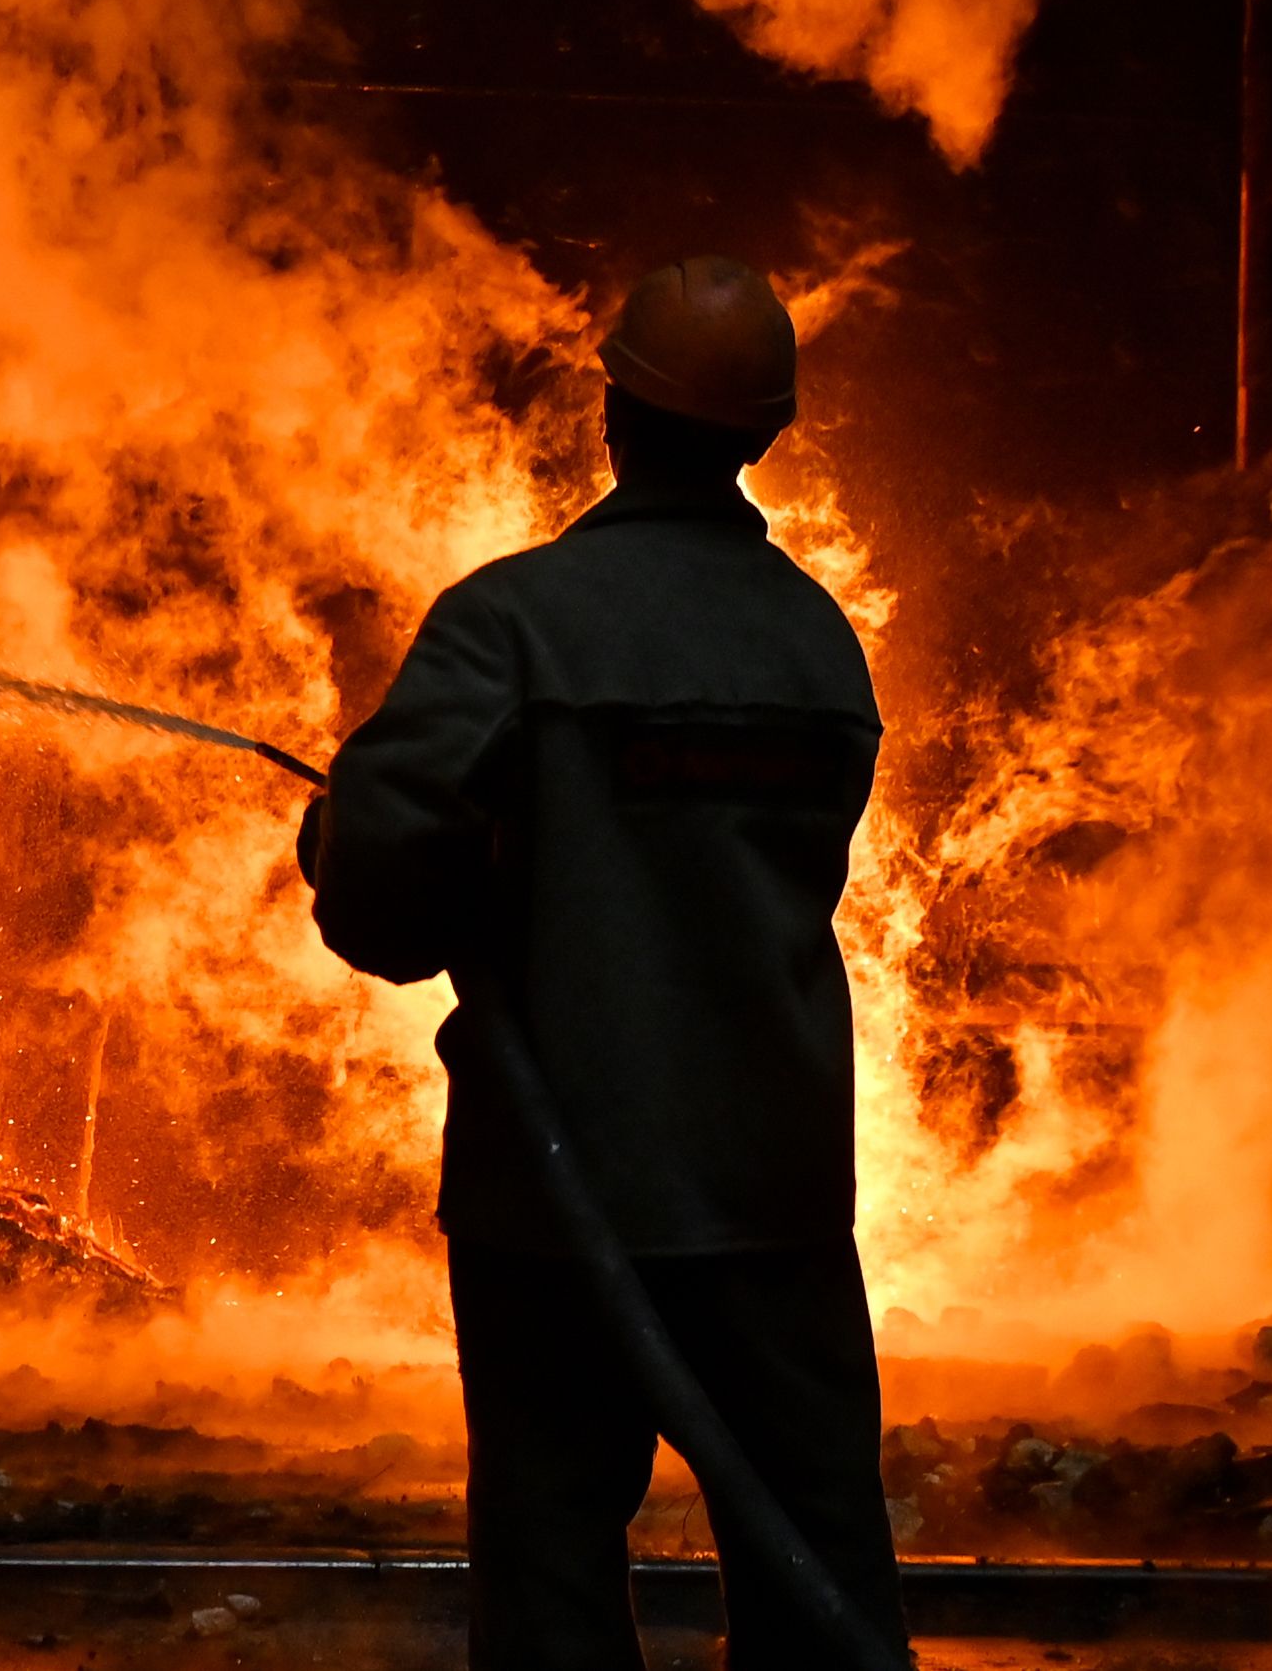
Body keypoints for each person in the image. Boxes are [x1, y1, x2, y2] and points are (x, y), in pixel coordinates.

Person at [299, 254, 907, 1671]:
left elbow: (386, 890)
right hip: (773, 1192)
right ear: (767, 432)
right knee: (814, 1551)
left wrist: (358, 849)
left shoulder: (515, 623)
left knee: (556, 1555)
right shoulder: (819, 646)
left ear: (612, 414)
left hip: (558, 1194)